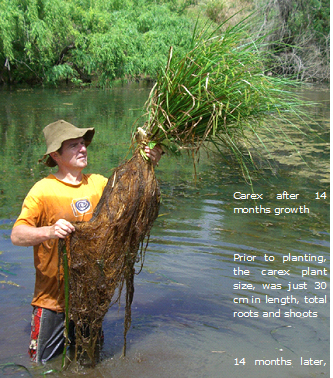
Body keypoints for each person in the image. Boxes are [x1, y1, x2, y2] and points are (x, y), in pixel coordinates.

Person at [11, 119, 162, 364]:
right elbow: (17, 235)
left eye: (83, 144)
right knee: (43, 365)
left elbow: (132, 195)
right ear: (55, 154)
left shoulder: (99, 183)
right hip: (52, 301)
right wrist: (49, 230)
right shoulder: (43, 190)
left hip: (90, 298)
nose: (83, 149)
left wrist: (149, 162)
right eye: (73, 146)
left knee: (90, 362)